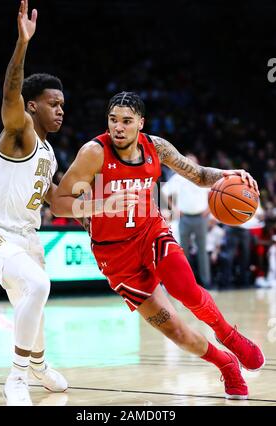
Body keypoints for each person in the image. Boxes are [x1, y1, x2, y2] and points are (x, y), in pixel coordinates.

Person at [51, 91, 264, 400]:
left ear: (141, 123)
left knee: (185, 289)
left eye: (126, 121)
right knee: (176, 331)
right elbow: (59, 204)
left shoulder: (157, 147)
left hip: (151, 233)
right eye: (113, 120)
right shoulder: (94, 152)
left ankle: (228, 335)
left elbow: (200, 175)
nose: (118, 128)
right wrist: (103, 204)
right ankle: (226, 364)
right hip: (114, 254)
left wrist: (228, 174)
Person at [0, 1, 67, 405]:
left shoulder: (48, 154)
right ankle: (16, 377)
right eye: (53, 103)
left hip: (28, 236)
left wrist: (106, 207)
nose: (60, 109)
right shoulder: (20, 132)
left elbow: (59, 204)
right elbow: (11, 90)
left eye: (62, 104)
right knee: (38, 285)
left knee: (33, 301)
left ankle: (39, 364)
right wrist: (22, 44)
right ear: (32, 106)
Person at [161, 158, 212, 288]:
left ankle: (206, 282)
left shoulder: (203, 175)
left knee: (202, 250)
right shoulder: (178, 177)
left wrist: (209, 208)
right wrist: (174, 208)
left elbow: (213, 193)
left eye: (192, 161)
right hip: (184, 218)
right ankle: (187, 283)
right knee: (183, 251)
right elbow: (164, 191)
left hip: (201, 217)